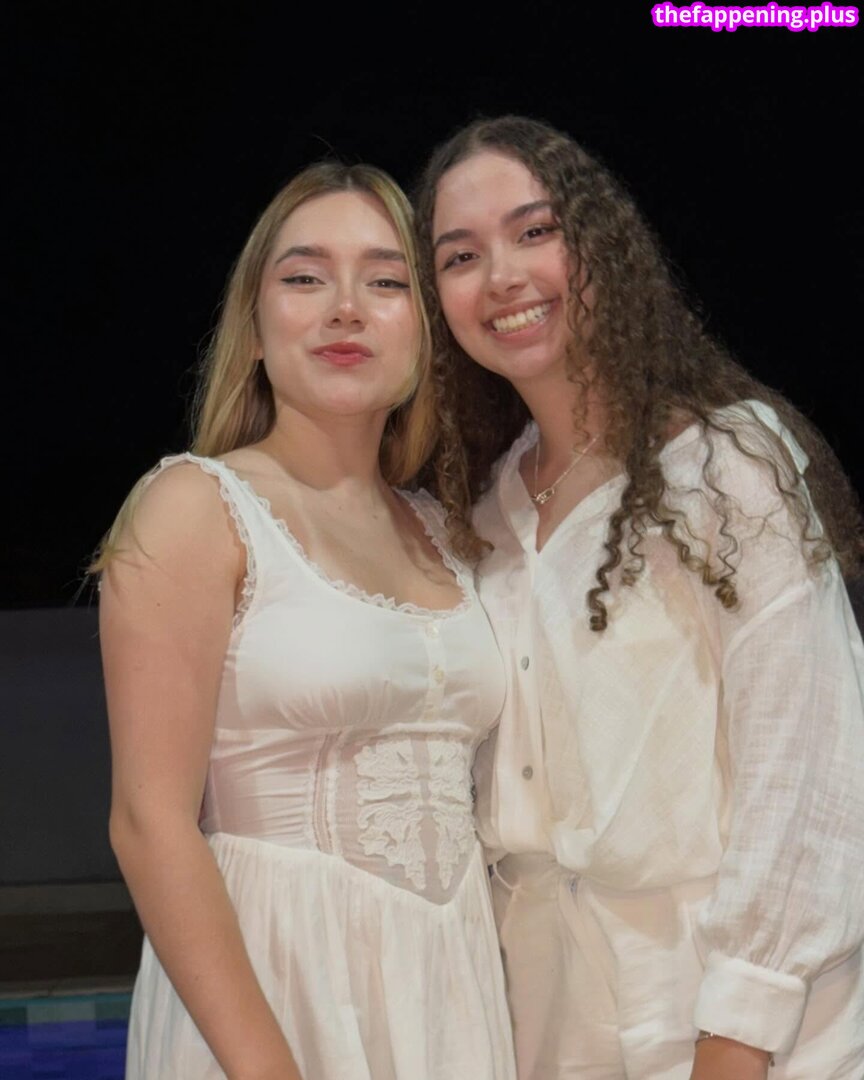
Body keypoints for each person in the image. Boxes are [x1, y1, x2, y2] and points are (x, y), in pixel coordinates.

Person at [412, 115, 864, 1080]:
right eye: (461, 255)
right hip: (545, 1019)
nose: (502, 277)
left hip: (734, 1021)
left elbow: (809, 766)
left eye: (536, 232)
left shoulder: (726, 464)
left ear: (600, 245)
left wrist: (738, 1033)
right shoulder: (482, 516)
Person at [96, 161, 516, 1080]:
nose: (345, 310)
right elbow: (148, 822)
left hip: (447, 991)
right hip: (273, 991)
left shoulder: (449, 532)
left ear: (425, 330)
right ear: (253, 328)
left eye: (385, 282)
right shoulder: (193, 506)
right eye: (305, 277)